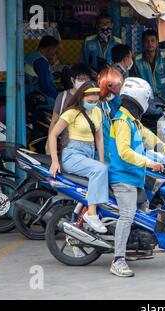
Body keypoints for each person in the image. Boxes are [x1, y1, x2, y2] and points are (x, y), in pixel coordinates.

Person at [108, 77, 165, 277]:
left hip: (135, 177)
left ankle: (136, 246)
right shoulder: (122, 122)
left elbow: (150, 138)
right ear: (139, 99)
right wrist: (149, 162)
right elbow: (124, 152)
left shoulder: (133, 122)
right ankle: (118, 260)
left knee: (144, 211)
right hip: (122, 178)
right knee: (127, 215)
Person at [48, 81, 108, 234]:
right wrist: (55, 161)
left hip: (89, 154)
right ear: (81, 97)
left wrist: (101, 160)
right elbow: (53, 134)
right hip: (72, 155)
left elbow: (99, 139)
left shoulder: (97, 112)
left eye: (96, 101)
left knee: (104, 170)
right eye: (90, 101)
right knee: (99, 170)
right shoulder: (71, 112)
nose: (93, 103)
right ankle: (91, 213)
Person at [47, 63, 91, 154]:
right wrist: (50, 149)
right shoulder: (62, 97)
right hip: (66, 148)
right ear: (72, 80)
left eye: (86, 79)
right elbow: (54, 122)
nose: (83, 82)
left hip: (88, 149)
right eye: (80, 79)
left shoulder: (93, 98)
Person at [96, 66, 124, 163]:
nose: (112, 96)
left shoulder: (107, 104)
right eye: (110, 93)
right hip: (101, 157)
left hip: (112, 153)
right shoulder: (95, 107)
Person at [25, 35, 60, 106]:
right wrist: (60, 98)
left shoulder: (33, 56)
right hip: (37, 97)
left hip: (29, 93)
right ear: (49, 49)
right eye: (55, 51)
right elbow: (46, 87)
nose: (55, 54)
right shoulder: (40, 62)